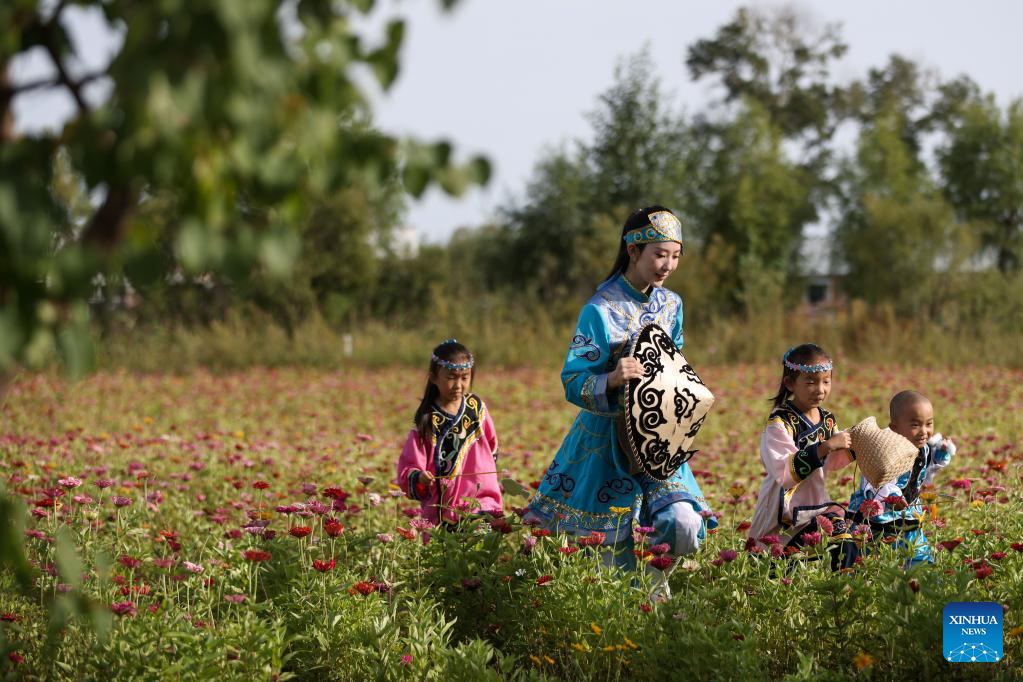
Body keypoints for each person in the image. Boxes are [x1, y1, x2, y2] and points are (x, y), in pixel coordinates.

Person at [524, 205, 716, 592]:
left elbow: (674, 365)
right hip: (605, 442)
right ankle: (634, 611)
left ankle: (654, 588)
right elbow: (573, 380)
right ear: (633, 250)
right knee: (608, 549)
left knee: (681, 522)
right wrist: (612, 378)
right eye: (659, 254)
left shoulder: (672, 305)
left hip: (657, 439)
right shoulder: (598, 310)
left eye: (675, 256)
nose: (668, 265)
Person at [748, 344, 856, 570]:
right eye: (810, 382)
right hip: (782, 505)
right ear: (790, 383)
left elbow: (832, 462)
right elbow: (783, 471)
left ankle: (846, 584)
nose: (820, 390)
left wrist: (855, 445)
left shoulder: (827, 419)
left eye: (826, 381)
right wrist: (824, 447)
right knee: (773, 565)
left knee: (843, 538)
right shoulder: (780, 422)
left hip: (815, 501)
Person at [396, 339, 503, 525]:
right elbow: (409, 466)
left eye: (465, 378)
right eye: (451, 377)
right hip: (443, 509)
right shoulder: (427, 419)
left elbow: (492, 446)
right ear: (433, 378)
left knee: (482, 542)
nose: (458, 385)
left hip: (482, 502)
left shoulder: (476, 407)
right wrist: (420, 477)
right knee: (448, 543)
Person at [846, 390, 955, 566]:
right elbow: (874, 480)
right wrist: (892, 496)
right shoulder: (885, 452)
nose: (924, 431)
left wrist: (941, 452)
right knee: (868, 554)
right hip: (877, 514)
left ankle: (921, 574)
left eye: (929, 424)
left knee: (916, 550)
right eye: (915, 425)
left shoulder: (924, 449)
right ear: (894, 427)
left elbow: (929, 465)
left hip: (908, 511)